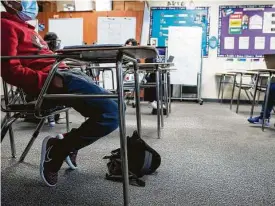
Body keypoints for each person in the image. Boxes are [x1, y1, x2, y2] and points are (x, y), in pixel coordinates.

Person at [1, 0, 118, 187]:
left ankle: (65, 145)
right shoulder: (5, 26)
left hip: (64, 73)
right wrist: (46, 80)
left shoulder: (25, 26)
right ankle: (58, 150)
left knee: (118, 107)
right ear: (9, 3)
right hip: (54, 79)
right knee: (112, 114)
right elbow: (9, 69)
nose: (32, 3)